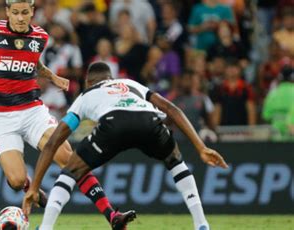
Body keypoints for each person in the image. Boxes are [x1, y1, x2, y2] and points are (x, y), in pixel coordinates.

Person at [0, 0, 133, 229]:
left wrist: (52, 77)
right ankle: (32, 188)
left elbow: (36, 64)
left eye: (25, 13)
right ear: (7, 12)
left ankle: (112, 215)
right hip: (0, 115)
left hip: (32, 110)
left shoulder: (40, 37)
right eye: (15, 13)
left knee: (69, 159)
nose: (20, 18)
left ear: (32, 12)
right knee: (16, 180)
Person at [23, 62, 228, 230]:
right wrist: (201, 147)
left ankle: (46, 228)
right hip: (149, 121)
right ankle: (201, 224)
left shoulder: (85, 96)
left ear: (88, 82)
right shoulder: (130, 84)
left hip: (114, 124)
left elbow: (53, 143)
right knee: (175, 161)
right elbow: (170, 108)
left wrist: (34, 187)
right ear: (111, 78)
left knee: (71, 171)